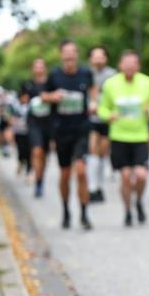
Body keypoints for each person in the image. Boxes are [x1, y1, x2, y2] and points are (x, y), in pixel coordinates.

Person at [97, 50, 149, 227]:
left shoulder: (147, 82)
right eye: (126, 63)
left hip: (140, 136)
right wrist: (109, 115)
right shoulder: (110, 84)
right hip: (119, 136)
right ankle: (127, 210)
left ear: (138, 66)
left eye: (133, 63)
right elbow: (102, 109)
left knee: (141, 175)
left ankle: (139, 201)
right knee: (125, 176)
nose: (130, 67)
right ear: (120, 65)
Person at [42, 40, 95, 230]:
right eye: (66, 52)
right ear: (61, 55)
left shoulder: (85, 73)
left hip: (81, 128)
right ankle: (65, 211)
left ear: (77, 55)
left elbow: (93, 93)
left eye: (73, 52)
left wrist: (94, 104)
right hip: (61, 129)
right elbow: (43, 96)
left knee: (81, 171)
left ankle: (84, 213)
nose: (70, 56)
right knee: (65, 174)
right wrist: (52, 97)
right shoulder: (54, 76)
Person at [86, 45, 117, 203]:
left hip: (107, 119)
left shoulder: (112, 75)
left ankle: (99, 185)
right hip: (91, 119)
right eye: (95, 56)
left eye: (101, 56)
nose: (98, 59)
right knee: (92, 150)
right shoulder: (86, 74)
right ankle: (92, 187)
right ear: (90, 59)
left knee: (102, 153)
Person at [20, 58, 52, 197]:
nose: (39, 69)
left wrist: (49, 97)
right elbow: (21, 100)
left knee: (45, 154)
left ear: (45, 68)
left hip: (49, 123)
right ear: (33, 69)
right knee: (36, 151)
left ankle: (40, 178)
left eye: (41, 66)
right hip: (34, 123)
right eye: (36, 67)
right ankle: (37, 180)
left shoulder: (51, 84)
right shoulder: (27, 84)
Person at [9, 89, 31, 179]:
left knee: (29, 152)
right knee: (21, 150)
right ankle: (21, 163)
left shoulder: (31, 106)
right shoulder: (16, 106)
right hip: (19, 132)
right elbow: (11, 118)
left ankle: (29, 172)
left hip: (29, 132)